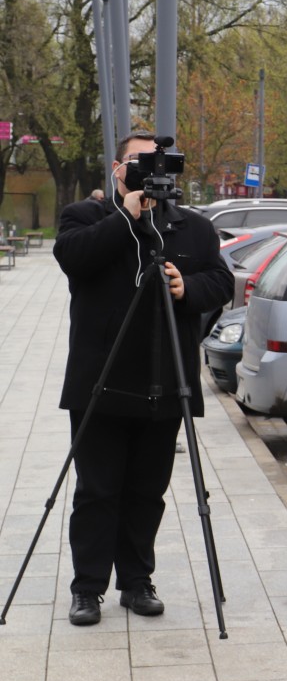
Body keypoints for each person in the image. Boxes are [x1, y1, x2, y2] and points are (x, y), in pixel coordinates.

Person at [54, 134, 233, 626]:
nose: (153, 169)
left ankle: (136, 582)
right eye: (140, 161)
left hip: (164, 380)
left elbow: (222, 282)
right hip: (100, 382)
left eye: (161, 161)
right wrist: (126, 218)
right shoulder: (85, 217)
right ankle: (87, 589)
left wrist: (186, 286)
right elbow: (73, 258)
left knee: (146, 492)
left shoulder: (192, 227)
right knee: (96, 491)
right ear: (118, 168)